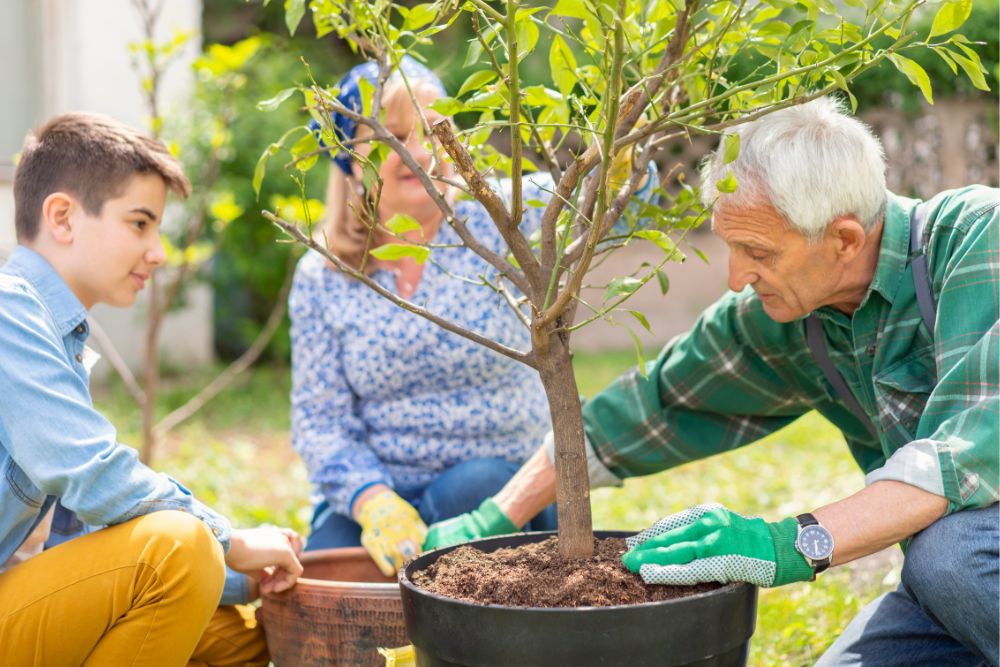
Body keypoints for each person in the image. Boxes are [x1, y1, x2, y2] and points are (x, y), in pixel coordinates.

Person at [424, 97, 999, 665]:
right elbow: (653, 404)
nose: (735, 276)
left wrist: (787, 545)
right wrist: (498, 514)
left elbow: (963, 458)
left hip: (964, 557)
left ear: (844, 239)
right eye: (731, 246)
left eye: (756, 251)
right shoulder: (790, 316)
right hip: (947, 589)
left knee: (948, 553)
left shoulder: (978, 241)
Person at [0, 112, 304, 666]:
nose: (159, 253)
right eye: (140, 224)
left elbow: (80, 530)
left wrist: (243, 578)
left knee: (236, 635)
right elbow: (91, 474)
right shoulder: (8, 311)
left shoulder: (53, 332)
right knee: (181, 551)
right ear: (63, 216)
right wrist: (230, 541)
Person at [290, 57, 561, 575]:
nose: (418, 152)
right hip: (381, 491)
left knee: (469, 489)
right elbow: (320, 420)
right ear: (350, 158)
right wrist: (372, 501)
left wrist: (621, 164)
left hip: (501, 489)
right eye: (392, 136)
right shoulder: (323, 275)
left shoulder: (502, 217)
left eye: (433, 131)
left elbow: (602, 194)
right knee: (326, 569)